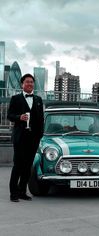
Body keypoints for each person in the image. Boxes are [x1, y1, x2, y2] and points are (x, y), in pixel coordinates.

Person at [7, 74, 44, 202]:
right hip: (20, 137)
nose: (30, 84)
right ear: (22, 84)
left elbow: (41, 119)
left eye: (32, 82)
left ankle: (22, 191)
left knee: (28, 166)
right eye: (27, 82)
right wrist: (19, 117)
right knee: (18, 165)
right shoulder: (15, 98)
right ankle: (13, 193)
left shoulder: (38, 99)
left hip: (33, 139)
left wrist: (40, 136)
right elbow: (10, 115)